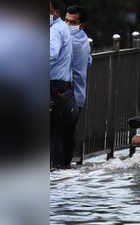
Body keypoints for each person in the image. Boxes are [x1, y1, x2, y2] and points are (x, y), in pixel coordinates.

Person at [50, 0, 77, 169]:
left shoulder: (55, 31)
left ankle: (55, 169)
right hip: (61, 86)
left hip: (54, 86)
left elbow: (50, 54)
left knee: (53, 132)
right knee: (58, 132)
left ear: (56, 12)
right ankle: (59, 168)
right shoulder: (62, 28)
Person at [65, 5, 92, 111]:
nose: (67, 25)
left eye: (72, 22)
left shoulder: (70, 41)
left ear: (81, 25)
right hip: (78, 98)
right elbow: (89, 61)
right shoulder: (84, 38)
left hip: (67, 100)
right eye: (66, 20)